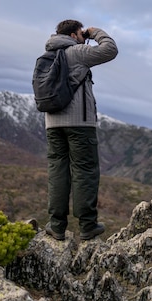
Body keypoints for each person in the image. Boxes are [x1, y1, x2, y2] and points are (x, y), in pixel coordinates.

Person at [42, 19, 118, 241]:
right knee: (85, 171)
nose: (83, 36)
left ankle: (56, 225)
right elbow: (110, 50)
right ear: (74, 35)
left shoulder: (47, 55)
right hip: (79, 124)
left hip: (52, 123)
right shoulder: (76, 51)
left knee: (57, 171)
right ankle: (87, 225)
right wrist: (94, 33)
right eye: (80, 33)